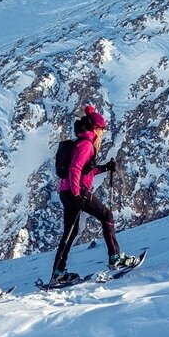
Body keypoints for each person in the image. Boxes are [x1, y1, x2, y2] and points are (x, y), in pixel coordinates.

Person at [50, 104, 140, 284]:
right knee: (106, 215)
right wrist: (77, 193)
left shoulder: (81, 142)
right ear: (96, 128)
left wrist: (104, 168)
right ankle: (115, 258)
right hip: (76, 192)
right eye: (102, 129)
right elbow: (75, 169)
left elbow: (84, 170)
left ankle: (57, 273)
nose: (103, 133)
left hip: (66, 191)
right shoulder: (86, 145)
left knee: (70, 231)